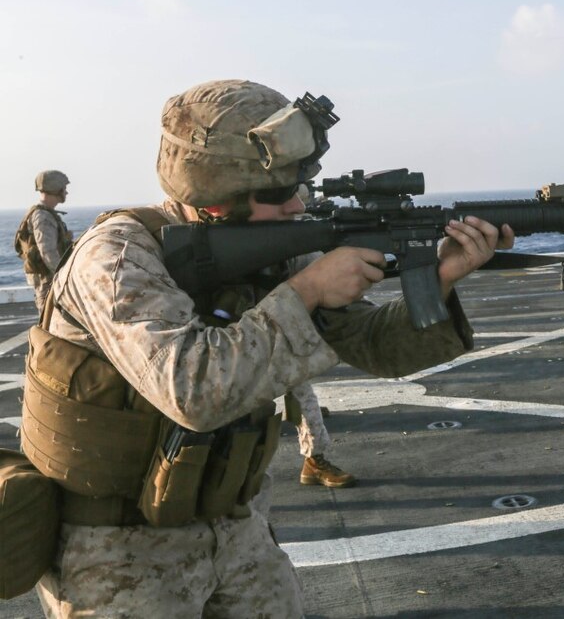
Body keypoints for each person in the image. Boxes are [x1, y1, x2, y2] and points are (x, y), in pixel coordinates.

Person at [21, 79, 513, 617]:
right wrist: (307, 293)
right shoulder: (117, 256)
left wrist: (441, 278)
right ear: (214, 196)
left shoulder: (273, 249)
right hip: (117, 553)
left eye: (298, 187)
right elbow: (193, 391)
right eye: (278, 194)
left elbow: (375, 346)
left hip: (236, 528)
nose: (297, 204)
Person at [13, 170, 73, 312]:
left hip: (49, 277)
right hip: (47, 279)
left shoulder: (45, 213)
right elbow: (48, 251)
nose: (66, 192)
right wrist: (63, 276)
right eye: (64, 189)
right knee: (48, 321)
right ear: (56, 189)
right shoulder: (43, 216)